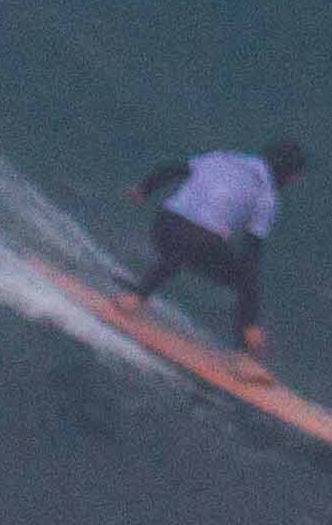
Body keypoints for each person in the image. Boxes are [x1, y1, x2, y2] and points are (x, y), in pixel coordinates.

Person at [125, 137, 310, 371]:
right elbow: (250, 254)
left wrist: (144, 189)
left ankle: (134, 298)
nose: (296, 181)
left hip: (162, 226)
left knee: (186, 246)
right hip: (196, 241)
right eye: (296, 175)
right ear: (285, 173)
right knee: (239, 274)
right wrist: (251, 322)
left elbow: (172, 168)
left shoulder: (221, 157)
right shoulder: (267, 196)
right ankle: (243, 358)